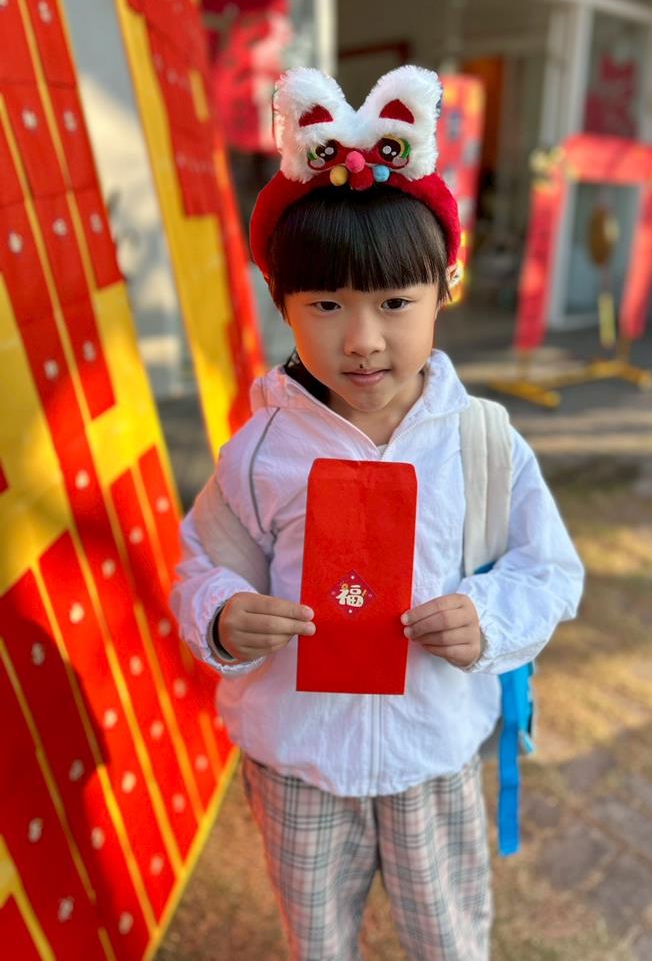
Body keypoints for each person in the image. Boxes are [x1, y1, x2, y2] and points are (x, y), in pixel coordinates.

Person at [171, 65, 584, 961]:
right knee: (316, 939)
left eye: (395, 303)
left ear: (445, 288)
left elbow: (549, 570)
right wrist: (223, 614)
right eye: (326, 305)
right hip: (297, 761)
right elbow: (199, 563)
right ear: (281, 302)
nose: (361, 340)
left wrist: (487, 617)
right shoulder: (260, 452)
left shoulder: (481, 441)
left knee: (447, 939)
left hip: (431, 752)